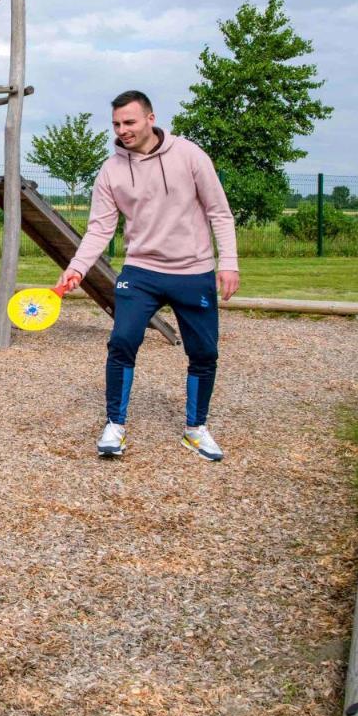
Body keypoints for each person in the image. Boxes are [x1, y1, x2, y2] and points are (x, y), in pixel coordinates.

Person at [55, 91, 239, 461]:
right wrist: (77, 268)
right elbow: (99, 229)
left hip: (193, 270)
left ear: (150, 118)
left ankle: (196, 429)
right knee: (122, 341)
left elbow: (219, 212)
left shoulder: (189, 155)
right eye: (117, 124)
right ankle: (115, 426)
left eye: (130, 122)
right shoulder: (111, 171)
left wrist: (229, 262)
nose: (122, 130)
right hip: (140, 272)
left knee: (204, 352)